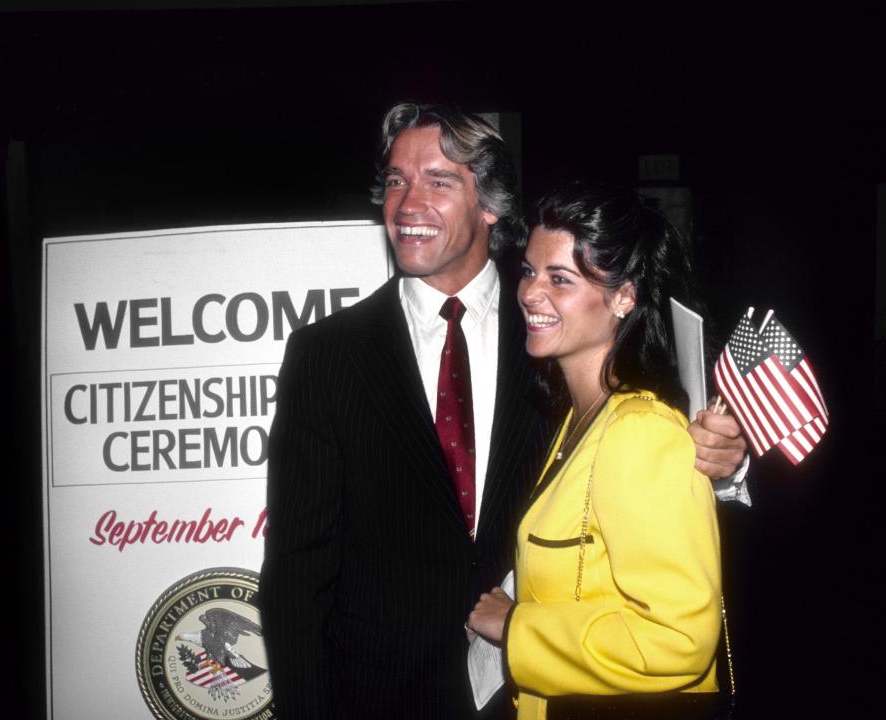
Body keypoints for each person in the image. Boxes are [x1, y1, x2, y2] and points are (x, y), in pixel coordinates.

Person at [259, 103, 745, 720]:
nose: (408, 205)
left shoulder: (565, 331)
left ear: (490, 205)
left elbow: (658, 437)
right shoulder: (326, 355)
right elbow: (297, 575)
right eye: (395, 181)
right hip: (379, 696)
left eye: (438, 180)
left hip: (545, 696)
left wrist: (724, 464)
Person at [467, 183, 724, 719]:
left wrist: (517, 627)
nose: (531, 294)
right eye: (530, 271)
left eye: (561, 279)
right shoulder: (576, 417)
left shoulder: (639, 432)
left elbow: (678, 637)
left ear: (624, 297)